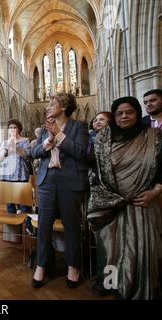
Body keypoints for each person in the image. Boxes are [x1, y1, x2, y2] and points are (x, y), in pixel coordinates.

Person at [88, 96, 162, 300]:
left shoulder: (153, 136)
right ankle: (111, 285)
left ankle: (137, 287)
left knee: (139, 251)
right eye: (119, 113)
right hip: (111, 205)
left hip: (141, 205)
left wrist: (155, 192)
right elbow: (96, 170)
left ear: (138, 114)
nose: (124, 116)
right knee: (110, 250)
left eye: (129, 112)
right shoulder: (104, 138)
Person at [30, 93, 89, 289]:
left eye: (52, 103)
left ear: (63, 107)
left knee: (71, 227)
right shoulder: (44, 129)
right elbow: (33, 152)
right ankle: (41, 266)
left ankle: (73, 267)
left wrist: (60, 135)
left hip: (69, 181)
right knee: (44, 227)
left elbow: (81, 152)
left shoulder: (78, 126)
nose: (48, 107)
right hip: (47, 181)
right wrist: (46, 143)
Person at [86, 111, 113, 297]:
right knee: (98, 235)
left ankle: (111, 280)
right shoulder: (89, 139)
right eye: (95, 119)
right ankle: (99, 274)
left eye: (102, 119)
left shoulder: (117, 138)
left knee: (112, 239)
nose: (97, 122)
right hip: (93, 190)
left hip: (114, 192)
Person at [0, 119, 32, 214]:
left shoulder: (25, 141)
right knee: (10, 205)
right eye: (10, 127)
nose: (12, 129)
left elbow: (27, 156)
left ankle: (27, 226)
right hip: (7, 177)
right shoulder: (4, 142)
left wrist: (15, 146)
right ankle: (13, 228)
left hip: (21, 176)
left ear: (19, 129)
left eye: (15, 127)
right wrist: (6, 148)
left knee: (24, 205)